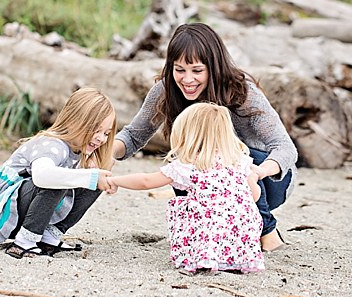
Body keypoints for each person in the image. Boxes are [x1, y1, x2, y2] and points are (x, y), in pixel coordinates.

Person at [112, 22, 297, 251]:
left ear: (213, 66)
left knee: (224, 158)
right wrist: (105, 152)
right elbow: (133, 135)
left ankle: (266, 230)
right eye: (180, 70)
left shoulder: (242, 92)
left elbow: (285, 148)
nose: (187, 80)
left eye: (197, 71)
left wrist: (259, 171)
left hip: (265, 181)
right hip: (212, 183)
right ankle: (209, 231)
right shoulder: (165, 90)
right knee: (185, 161)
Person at [108, 102, 265, 274]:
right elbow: (255, 196)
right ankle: (236, 259)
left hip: (209, 230)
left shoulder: (189, 165)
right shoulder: (240, 161)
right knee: (236, 212)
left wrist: (115, 181)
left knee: (188, 206)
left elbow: (146, 181)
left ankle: (205, 256)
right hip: (244, 232)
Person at [0, 87, 117, 259]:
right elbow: (42, 176)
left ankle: (49, 235)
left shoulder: (77, 150)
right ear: (73, 121)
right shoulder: (53, 144)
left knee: (95, 182)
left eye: (106, 133)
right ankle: (24, 242)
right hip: (8, 213)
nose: (101, 138)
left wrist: (97, 175)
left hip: (29, 212)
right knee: (58, 179)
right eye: (95, 130)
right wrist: (89, 176)